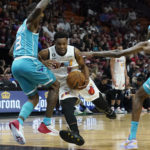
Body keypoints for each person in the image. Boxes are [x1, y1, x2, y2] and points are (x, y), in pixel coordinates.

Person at [39, 31, 116, 146]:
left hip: (78, 77)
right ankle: (75, 133)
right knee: (66, 107)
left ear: (67, 42)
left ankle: (107, 110)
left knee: (98, 101)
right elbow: (34, 58)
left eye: (64, 44)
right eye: (59, 44)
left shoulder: (74, 51)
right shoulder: (47, 52)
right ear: (54, 43)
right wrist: (44, 62)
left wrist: (85, 80)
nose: (61, 46)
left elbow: (83, 66)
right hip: (63, 84)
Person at [9, 0, 60, 145]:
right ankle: (46, 124)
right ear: (35, 14)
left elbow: (11, 51)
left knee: (34, 98)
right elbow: (38, 9)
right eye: (41, 15)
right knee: (55, 85)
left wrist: (39, 62)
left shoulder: (21, 29)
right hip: (27, 62)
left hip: (16, 64)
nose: (42, 17)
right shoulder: (31, 22)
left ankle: (18, 122)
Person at [110, 45, 129, 113]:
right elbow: (111, 68)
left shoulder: (124, 57)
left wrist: (126, 77)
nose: (120, 50)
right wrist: (113, 77)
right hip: (116, 75)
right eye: (118, 49)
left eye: (121, 49)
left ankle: (118, 108)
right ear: (116, 49)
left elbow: (125, 68)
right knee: (114, 91)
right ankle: (112, 107)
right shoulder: (113, 56)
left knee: (120, 92)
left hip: (122, 76)